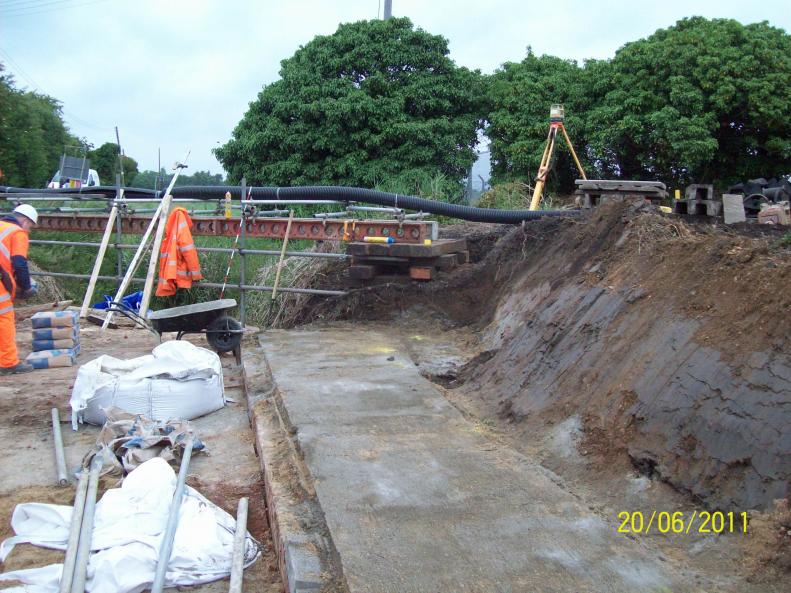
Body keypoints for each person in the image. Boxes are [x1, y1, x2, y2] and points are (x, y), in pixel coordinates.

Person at [0, 204, 39, 374]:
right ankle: (8, 363)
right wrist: (26, 287)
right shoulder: (17, 233)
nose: (29, 230)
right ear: (24, 220)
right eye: (30, 226)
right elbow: (19, 263)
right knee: (4, 320)